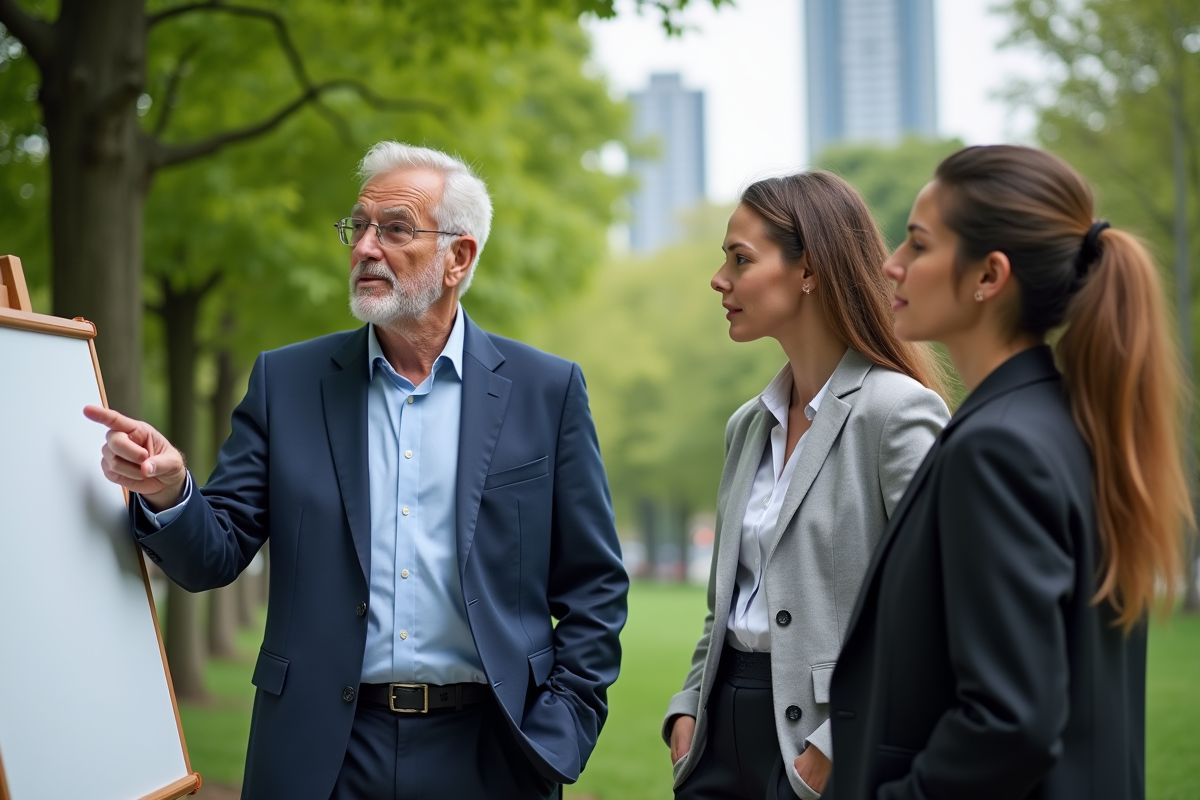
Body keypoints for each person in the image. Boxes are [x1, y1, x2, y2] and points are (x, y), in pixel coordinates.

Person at [85, 142, 629, 800]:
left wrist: (561, 729)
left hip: (493, 754)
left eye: (395, 229)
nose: (366, 247)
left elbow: (594, 586)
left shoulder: (547, 391)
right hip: (322, 753)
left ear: (458, 257)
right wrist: (170, 490)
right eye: (359, 226)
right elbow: (214, 556)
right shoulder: (286, 383)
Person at [827, 145, 1192, 800]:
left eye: (918, 243)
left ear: (989, 276)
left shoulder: (997, 449)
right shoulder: (1067, 425)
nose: (891, 263)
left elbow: (1010, 723)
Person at [664, 172, 950, 800]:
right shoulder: (747, 425)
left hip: (824, 741)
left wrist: (839, 741)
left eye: (740, 259)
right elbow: (727, 599)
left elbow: (933, 607)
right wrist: (689, 705)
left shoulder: (898, 413)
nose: (719, 279)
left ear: (809, 271)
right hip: (718, 735)